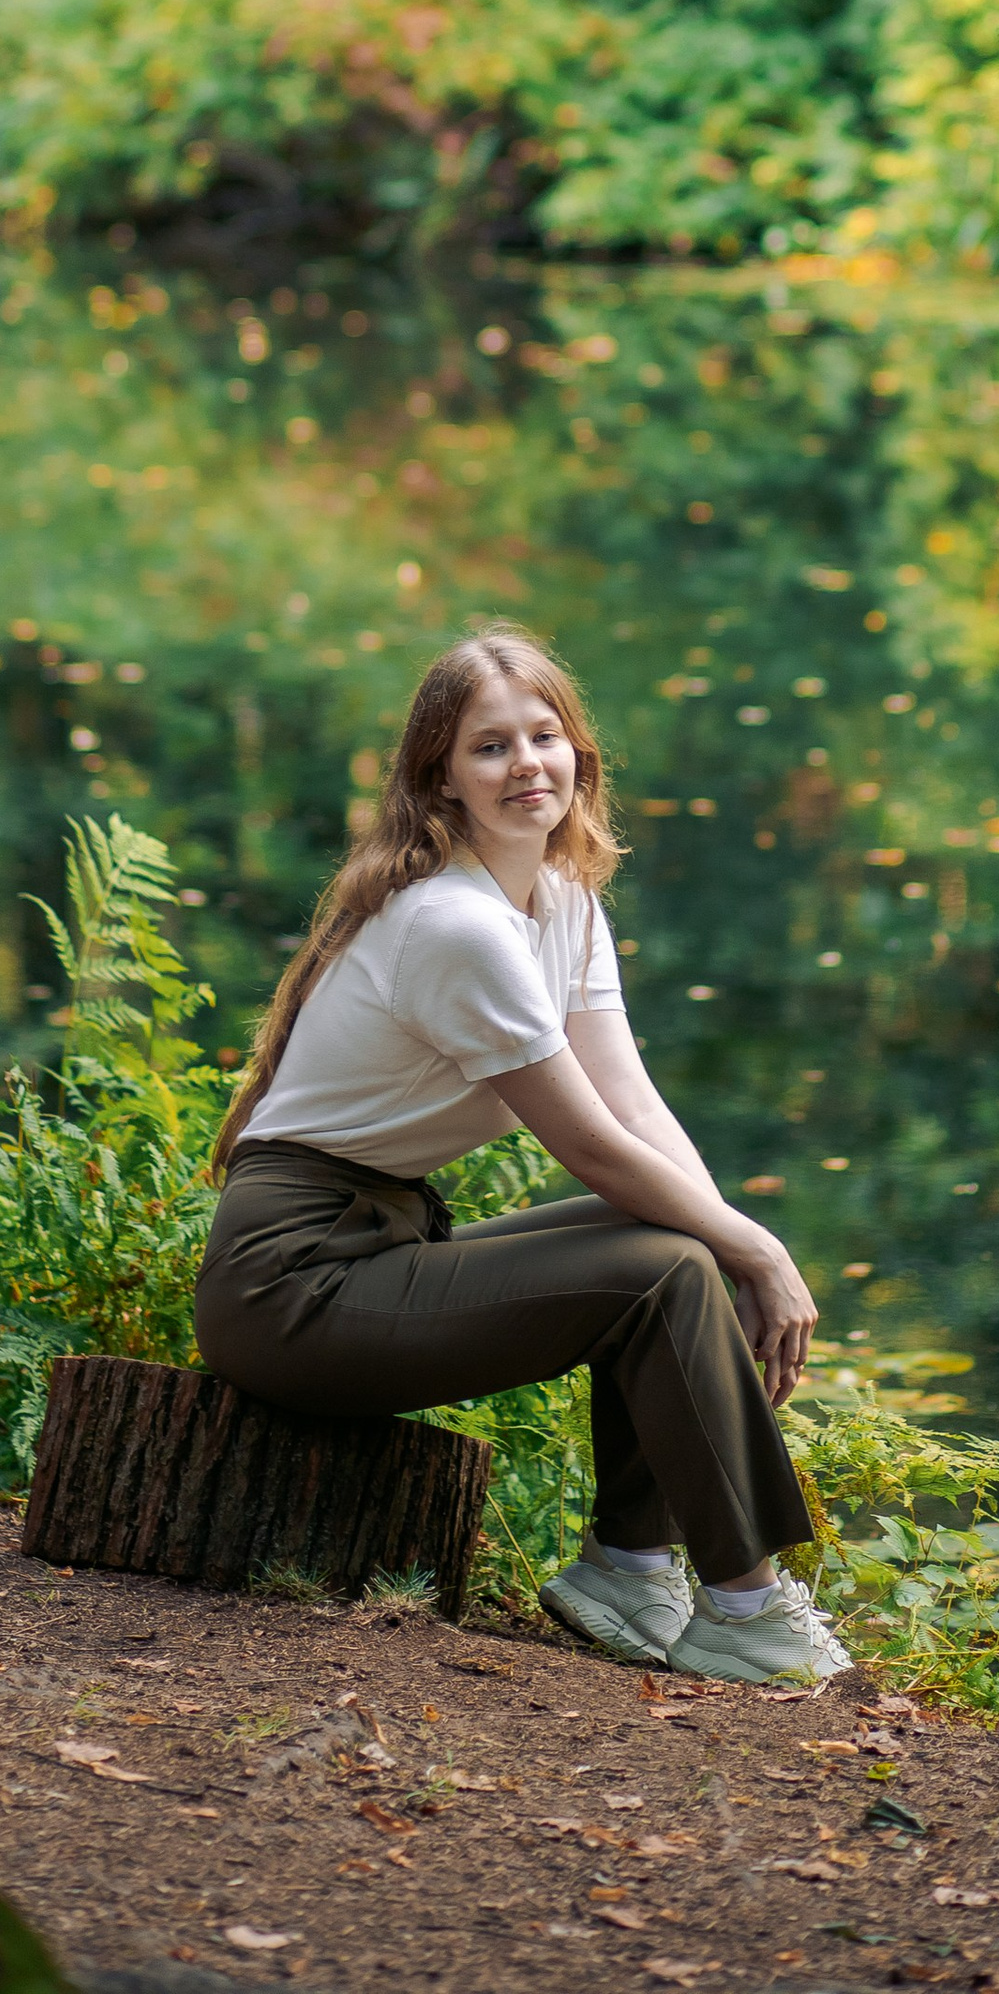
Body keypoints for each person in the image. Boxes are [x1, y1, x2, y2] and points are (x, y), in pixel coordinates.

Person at [194, 625, 849, 1687]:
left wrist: (733, 1237)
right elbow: (589, 1145)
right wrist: (758, 1252)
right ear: (439, 778)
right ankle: (746, 1608)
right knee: (665, 1264)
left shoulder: (559, 901)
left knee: (678, 1242)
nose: (525, 765)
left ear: (578, 752)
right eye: (489, 747)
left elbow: (632, 1106)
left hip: (380, 1244)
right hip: (291, 1286)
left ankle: (630, 1568)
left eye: (543, 737)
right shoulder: (454, 925)